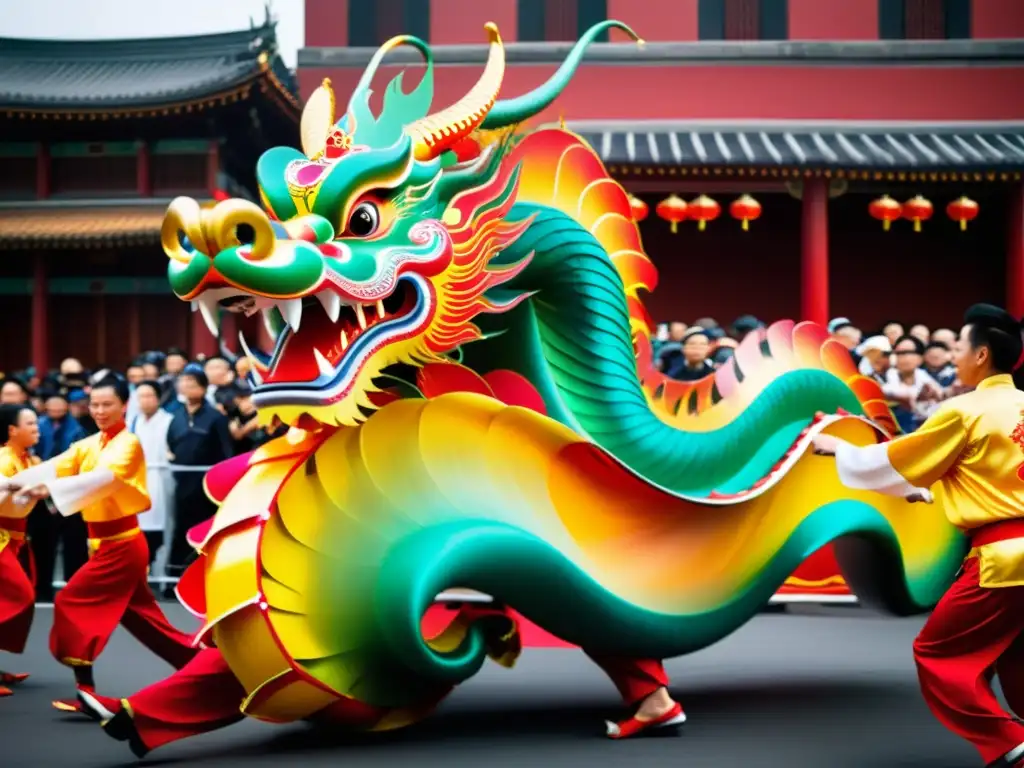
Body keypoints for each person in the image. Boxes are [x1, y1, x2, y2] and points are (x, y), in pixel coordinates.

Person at [812, 303, 1024, 768]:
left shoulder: (963, 410)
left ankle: (1008, 742)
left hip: (1004, 559)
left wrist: (841, 448)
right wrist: (922, 492)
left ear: (982, 354)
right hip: (1011, 548)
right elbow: (972, 475)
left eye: (956, 346)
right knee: (1013, 653)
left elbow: (890, 462)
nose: (952, 355)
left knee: (937, 654)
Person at [17, 376, 198, 713]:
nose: (99, 411)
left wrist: (50, 491)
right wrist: (13, 483)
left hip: (123, 545)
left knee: (71, 601)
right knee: (147, 621)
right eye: (94, 405)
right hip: (103, 543)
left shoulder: (128, 443)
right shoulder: (91, 443)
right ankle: (205, 668)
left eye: (107, 405)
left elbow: (104, 479)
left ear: (123, 405)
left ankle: (86, 691)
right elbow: (56, 465)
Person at [165, 370, 233, 586]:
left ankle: (203, 579)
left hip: (206, 486)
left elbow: (227, 452)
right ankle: (175, 578)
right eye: (184, 382)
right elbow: (171, 445)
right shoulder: (175, 417)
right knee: (180, 530)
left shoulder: (216, 418)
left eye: (192, 383)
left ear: (203, 388)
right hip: (182, 484)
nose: (187, 387)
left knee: (204, 530)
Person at [32, 391, 89, 602]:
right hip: (41, 489)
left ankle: (74, 586)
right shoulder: (38, 424)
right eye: (51, 405)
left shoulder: (77, 427)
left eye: (60, 405)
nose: (55, 409)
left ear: (66, 407)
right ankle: (42, 587)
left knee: (74, 541)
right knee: (42, 541)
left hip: (69, 490)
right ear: (45, 406)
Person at [0, 404, 41, 697]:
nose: (36, 428)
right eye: (30, 423)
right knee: (19, 597)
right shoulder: (5, 460)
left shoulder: (26, 459)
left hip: (14, 539)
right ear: (12, 430)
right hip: (2, 538)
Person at [129, 382, 174, 573]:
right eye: (141, 396)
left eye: (149, 396)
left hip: (162, 478)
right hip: (140, 479)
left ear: (158, 398)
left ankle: (161, 572)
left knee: (163, 524)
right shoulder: (133, 421)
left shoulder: (169, 420)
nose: (144, 401)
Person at [883, 335, 945, 432]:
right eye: (899, 353)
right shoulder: (885, 375)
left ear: (920, 358)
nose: (904, 357)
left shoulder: (923, 376)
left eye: (909, 352)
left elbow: (940, 396)